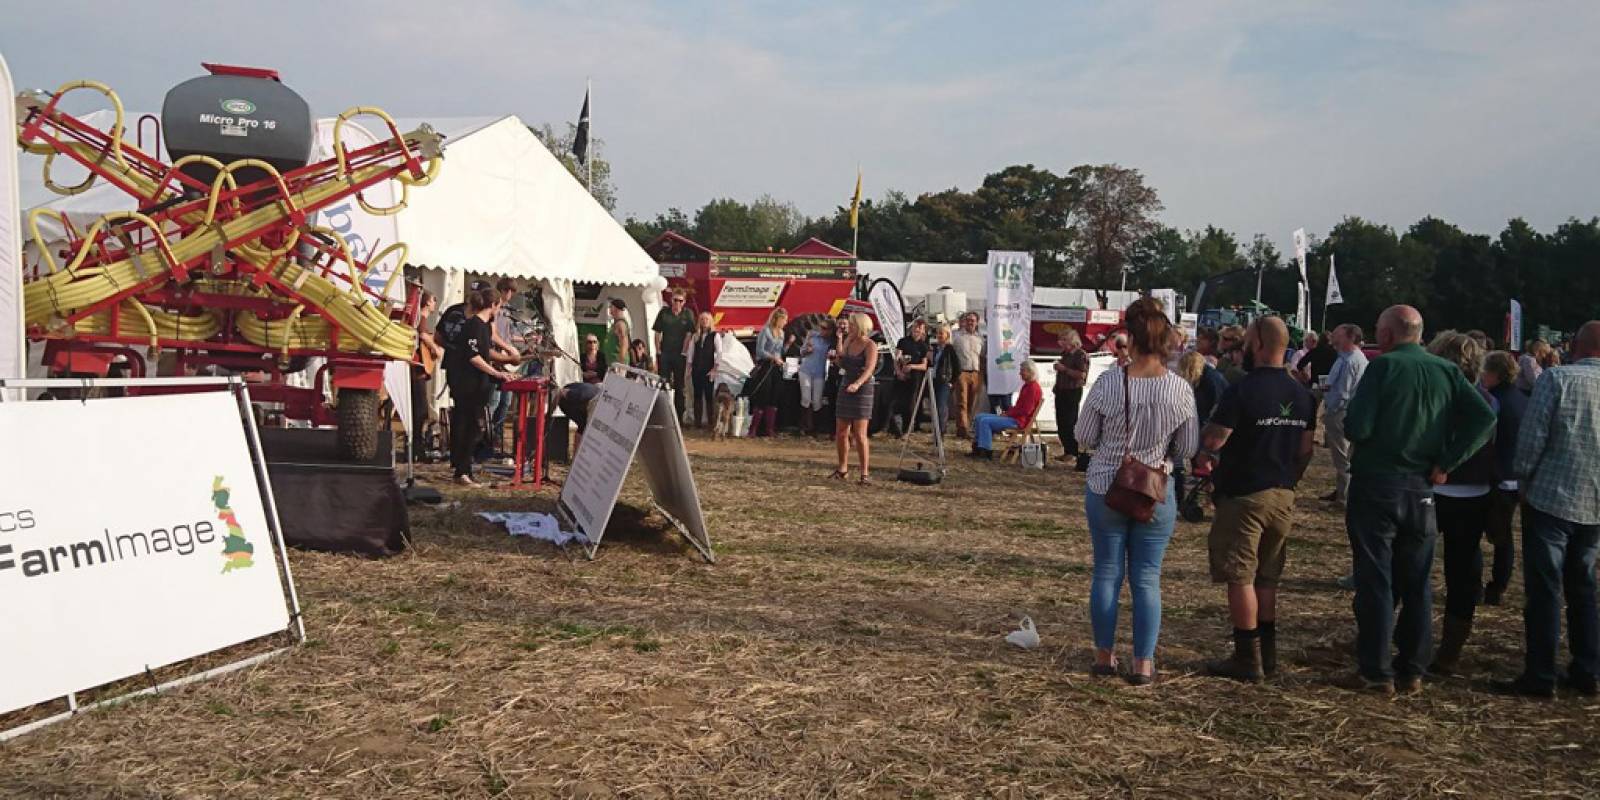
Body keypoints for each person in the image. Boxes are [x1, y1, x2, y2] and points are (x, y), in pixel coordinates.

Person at [1341, 305, 1496, 695]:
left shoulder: (1384, 366)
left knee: (1376, 579)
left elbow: (1358, 425)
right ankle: (1412, 670)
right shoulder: (1445, 370)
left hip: (1377, 482)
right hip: (1422, 487)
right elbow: (1484, 418)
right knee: (1417, 582)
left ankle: (1375, 671)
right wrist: (1448, 461)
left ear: (1389, 335)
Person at [1075, 297, 1199, 686]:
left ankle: (1104, 656)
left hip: (1106, 485)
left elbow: (1083, 436)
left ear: (1128, 334)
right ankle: (1143, 663)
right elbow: (1187, 448)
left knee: (1107, 573)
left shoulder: (1109, 382)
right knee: (1147, 578)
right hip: (1155, 489)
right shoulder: (1180, 390)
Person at [1194, 317, 1315, 681]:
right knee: (1267, 577)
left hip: (1245, 494)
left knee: (1240, 576)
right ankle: (1269, 653)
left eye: (1247, 342)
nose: (1243, 349)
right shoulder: (1303, 394)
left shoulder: (1242, 389)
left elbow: (1215, 440)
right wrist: (1289, 479)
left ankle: (1247, 658)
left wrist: (1202, 441)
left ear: (1259, 344)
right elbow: (1306, 450)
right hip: (1283, 495)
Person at [1495, 321, 1600, 698]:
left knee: (1545, 589)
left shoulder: (1557, 379)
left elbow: (1532, 437)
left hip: (1552, 497)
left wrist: (1521, 479)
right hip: (1595, 504)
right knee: (1584, 586)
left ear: (1576, 345)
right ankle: (1588, 669)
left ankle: (1540, 674)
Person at [1423, 332, 1498, 676]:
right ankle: (1450, 652)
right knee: (1463, 573)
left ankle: (1410, 640)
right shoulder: (1488, 399)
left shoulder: (1435, 397)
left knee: (1411, 564)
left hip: (1434, 489)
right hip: (1475, 493)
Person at [444, 288, 517, 486]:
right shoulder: (473, 325)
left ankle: (465, 468)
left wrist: (505, 365)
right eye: (498, 306)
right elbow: (473, 356)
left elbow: (486, 354)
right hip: (467, 384)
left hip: (479, 385)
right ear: (492, 305)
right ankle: (461, 470)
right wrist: (496, 373)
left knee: (474, 426)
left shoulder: (484, 327)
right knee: (468, 425)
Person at [1481, 351, 1528, 606]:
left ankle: (1485, 587)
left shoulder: (1491, 400)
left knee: (1482, 534)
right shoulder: (1522, 399)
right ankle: (1498, 586)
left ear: (1494, 374)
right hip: (1515, 477)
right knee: (1504, 538)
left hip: (1496, 478)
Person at [1321, 324, 1369, 505]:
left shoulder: (1350, 361)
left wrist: (1331, 410)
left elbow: (1344, 392)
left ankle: (1344, 497)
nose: (1333, 338)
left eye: (1337, 335)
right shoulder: (1348, 358)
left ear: (1349, 338)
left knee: (1342, 455)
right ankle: (1342, 490)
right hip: (1342, 411)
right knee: (1343, 454)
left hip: (1340, 412)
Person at [831, 312, 879, 484]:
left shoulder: (870, 345)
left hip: (862, 389)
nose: (848, 327)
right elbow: (842, 361)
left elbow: (869, 369)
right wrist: (836, 359)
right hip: (846, 386)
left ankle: (864, 473)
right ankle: (842, 468)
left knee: (859, 434)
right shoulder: (849, 340)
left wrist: (858, 384)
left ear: (860, 326)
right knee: (841, 432)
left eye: (852, 324)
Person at [968, 360, 1043, 458]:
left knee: (985, 421)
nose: (1020, 373)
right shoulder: (1027, 386)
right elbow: (1020, 408)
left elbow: (1026, 410)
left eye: (1022, 371)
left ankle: (985, 450)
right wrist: (1008, 412)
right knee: (979, 417)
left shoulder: (1033, 388)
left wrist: (1008, 414)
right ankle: (978, 447)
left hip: (1019, 421)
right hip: (1015, 417)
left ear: (1030, 372)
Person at [652, 287, 696, 421]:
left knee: (679, 385)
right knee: (663, 383)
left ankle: (678, 416)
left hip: (679, 355)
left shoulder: (687, 314)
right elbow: (657, 332)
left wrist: (684, 351)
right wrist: (658, 350)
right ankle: (662, 414)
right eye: (675, 300)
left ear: (684, 302)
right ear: (671, 300)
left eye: (680, 301)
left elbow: (689, 334)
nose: (677, 303)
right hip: (665, 353)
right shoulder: (664, 313)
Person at [410, 289, 443, 460]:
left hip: (419, 370)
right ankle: (416, 448)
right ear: (427, 302)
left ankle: (417, 446)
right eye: (433, 300)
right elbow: (422, 334)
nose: (435, 303)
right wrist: (435, 348)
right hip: (417, 369)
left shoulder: (421, 319)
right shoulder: (420, 319)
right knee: (420, 410)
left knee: (420, 410)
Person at [747, 307, 789, 438]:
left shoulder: (782, 333)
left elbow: (780, 351)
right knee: (763, 395)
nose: (785, 323)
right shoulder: (765, 332)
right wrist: (773, 358)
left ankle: (770, 428)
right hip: (765, 366)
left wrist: (786, 348)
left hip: (777, 367)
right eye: (784, 320)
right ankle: (754, 429)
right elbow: (760, 351)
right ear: (778, 319)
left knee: (774, 396)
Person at [1053, 329, 1090, 460]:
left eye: (1063, 339)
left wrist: (1065, 369)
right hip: (1061, 391)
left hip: (1072, 391)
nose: (1060, 343)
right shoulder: (1065, 354)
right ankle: (1067, 450)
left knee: (1070, 422)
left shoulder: (1080, 355)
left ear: (1072, 341)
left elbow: (1082, 374)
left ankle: (1073, 452)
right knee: (1061, 422)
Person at [893, 318, 931, 434]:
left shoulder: (923, 346)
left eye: (920, 328)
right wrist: (899, 371)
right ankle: (894, 427)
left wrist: (912, 366)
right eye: (915, 327)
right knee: (898, 401)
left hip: (915, 378)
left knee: (911, 402)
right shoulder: (903, 341)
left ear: (923, 331)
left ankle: (907, 428)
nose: (917, 330)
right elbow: (897, 358)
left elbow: (924, 366)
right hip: (901, 376)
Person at [798, 318, 835, 435]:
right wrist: (807, 350)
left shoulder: (830, 342)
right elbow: (802, 352)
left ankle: (815, 426)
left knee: (817, 400)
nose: (821, 330)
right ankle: (805, 426)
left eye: (825, 328)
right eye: (821, 327)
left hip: (819, 372)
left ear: (830, 330)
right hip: (806, 370)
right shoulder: (813, 337)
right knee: (806, 398)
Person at [951, 312, 984, 438]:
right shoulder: (957, 336)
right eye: (968, 320)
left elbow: (982, 356)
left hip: (975, 373)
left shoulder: (980, 338)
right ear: (965, 321)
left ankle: (966, 427)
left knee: (972, 402)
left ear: (977, 322)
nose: (970, 322)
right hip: (962, 372)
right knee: (962, 402)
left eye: (973, 320)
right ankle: (963, 429)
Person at [687, 312, 721, 429]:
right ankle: (698, 423)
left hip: (709, 369)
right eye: (702, 319)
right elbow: (691, 352)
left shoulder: (715, 336)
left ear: (710, 321)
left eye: (706, 319)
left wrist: (714, 369)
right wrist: (689, 367)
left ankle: (711, 423)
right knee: (697, 396)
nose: (704, 321)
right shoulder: (696, 336)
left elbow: (719, 353)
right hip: (697, 369)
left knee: (709, 397)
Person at [554, 381, 602, 454]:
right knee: (583, 427)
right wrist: (549, 415)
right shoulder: (580, 395)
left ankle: (576, 459)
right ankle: (576, 457)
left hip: (583, 404)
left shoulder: (598, 401)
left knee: (583, 428)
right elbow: (561, 392)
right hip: (567, 402)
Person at [928, 324, 958, 436]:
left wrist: (951, 382)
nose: (939, 335)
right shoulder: (935, 348)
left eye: (942, 333)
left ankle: (940, 432)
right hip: (935, 380)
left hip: (944, 381)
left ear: (947, 335)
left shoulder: (950, 349)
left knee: (941, 406)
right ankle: (936, 431)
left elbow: (957, 367)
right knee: (934, 406)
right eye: (938, 333)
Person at [603, 298, 631, 368]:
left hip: (617, 363)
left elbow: (624, 343)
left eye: (611, 307)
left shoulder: (621, 324)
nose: (609, 310)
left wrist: (620, 363)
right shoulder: (615, 324)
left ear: (616, 308)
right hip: (612, 363)